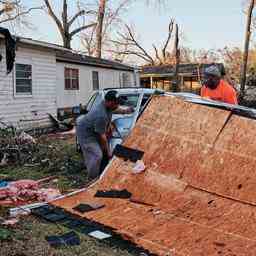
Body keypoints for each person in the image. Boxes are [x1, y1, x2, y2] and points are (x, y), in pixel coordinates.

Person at [76, 90, 134, 179]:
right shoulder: (100, 115)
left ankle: (98, 169)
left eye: (118, 103)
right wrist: (108, 152)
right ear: (109, 102)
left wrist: (125, 111)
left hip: (94, 130)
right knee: (97, 155)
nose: (118, 105)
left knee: (101, 153)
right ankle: (93, 178)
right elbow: (103, 137)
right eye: (116, 103)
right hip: (86, 134)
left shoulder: (108, 106)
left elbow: (116, 109)